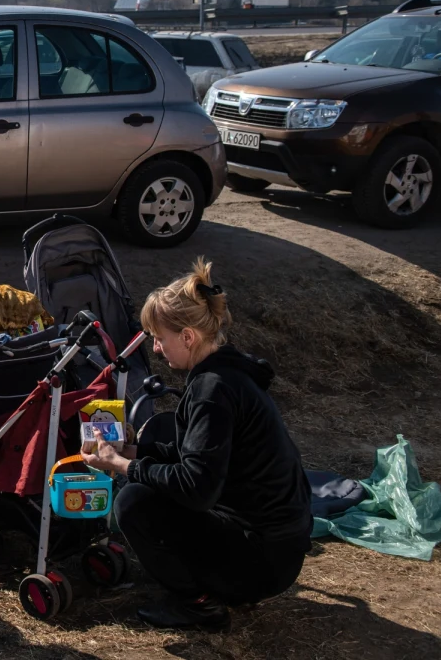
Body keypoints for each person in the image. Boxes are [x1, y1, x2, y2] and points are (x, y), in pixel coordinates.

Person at [82, 258, 311, 630]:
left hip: (261, 561)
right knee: (148, 484)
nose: (157, 349)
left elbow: (196, 488)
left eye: (160, 338)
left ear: (188, 337)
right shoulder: (230, 373)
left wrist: (122, 466)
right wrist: (131, 452)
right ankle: (216, 585)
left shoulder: (212, 391)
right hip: (280, 550)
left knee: (133, 501)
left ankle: (198, 605)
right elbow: (195, 457)